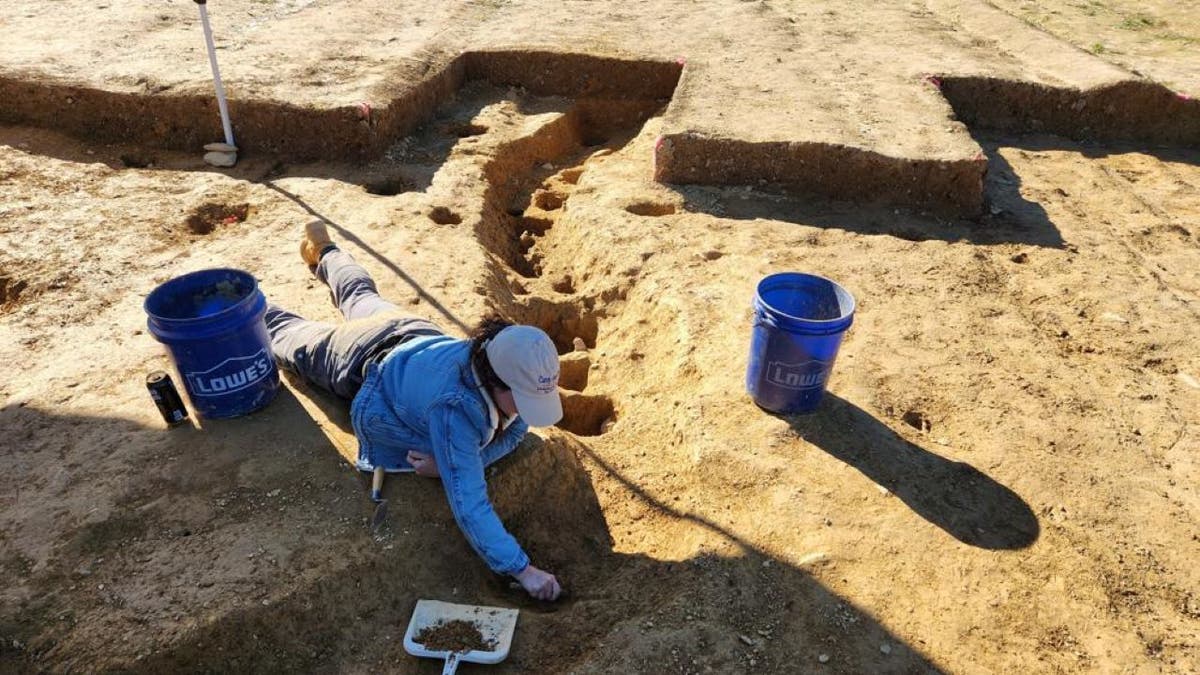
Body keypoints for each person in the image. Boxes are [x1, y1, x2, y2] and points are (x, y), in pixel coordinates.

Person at [264, 220, 564, 601]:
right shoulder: (457, 411)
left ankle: (325, 250)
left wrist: (462, 461)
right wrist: (524, 570)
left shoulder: (499, 359)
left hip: (409, 331)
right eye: (522, 400)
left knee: (358, 292)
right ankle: (245, 302)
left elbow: (518, 428)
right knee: (287, 337)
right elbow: (470, 504)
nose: (526, 411)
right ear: (497, 382)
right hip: (357, 358)